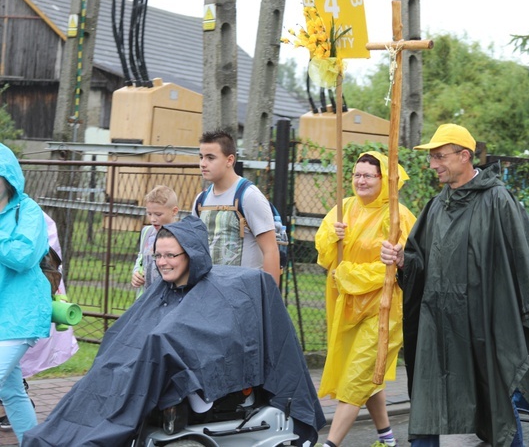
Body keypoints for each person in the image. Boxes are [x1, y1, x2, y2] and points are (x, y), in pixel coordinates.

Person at [23, 216, 325, 446]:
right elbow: (127, 332)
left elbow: (201, 338)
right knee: (98, 383)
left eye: (171, 256)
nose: (163, 263)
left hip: (178, 375)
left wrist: (159, 343)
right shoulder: (163, 290)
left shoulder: (219, 292)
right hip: (129, 370)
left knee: (126, 384)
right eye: (159, 256)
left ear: (190, 255)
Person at [380, 124, 529, 446]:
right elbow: (419, 258)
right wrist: (403, 261)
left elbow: (522, 263)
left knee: (495, 401)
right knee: (426, 403)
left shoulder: (499, 201)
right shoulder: (436, 206)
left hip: (483, 326)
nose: (433, 164)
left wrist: (520, 315)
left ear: (465, 156)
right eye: (432, 157)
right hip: (437, 325)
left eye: (440, 156)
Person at [315, 152, 416, 447]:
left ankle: (330, 443)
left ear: (384, 180)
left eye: (368, 175)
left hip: (383, 311)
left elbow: (394, 268)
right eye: (356, 174)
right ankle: (387, 439)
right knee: (368, 375)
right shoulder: (343, 208)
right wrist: (332, 237)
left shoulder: (397, 216)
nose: (360, 180)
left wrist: (348, 275)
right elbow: (324, 257)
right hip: (347, 308)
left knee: (356, 376)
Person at [0, 142, 52, 445]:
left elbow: (24, 256)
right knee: (11, 391)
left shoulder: (28, 210)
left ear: (8, 177)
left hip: (20, 315)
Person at [192, 129, 280, 284]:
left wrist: (270, 301)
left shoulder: (249, 196)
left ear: (230, 160)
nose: (203, 164)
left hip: (244, 296)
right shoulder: (201, 200)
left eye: (210, 158)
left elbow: (270, 250)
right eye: (201, 157)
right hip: (208, 294)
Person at [131, 185, 179, 294]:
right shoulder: (147, 232)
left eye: (158, 214)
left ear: (174, 211)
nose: (153, 219)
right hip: (146, 297)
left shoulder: (180, 236)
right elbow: (141, 258)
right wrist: (136, 274)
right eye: (149, 214)